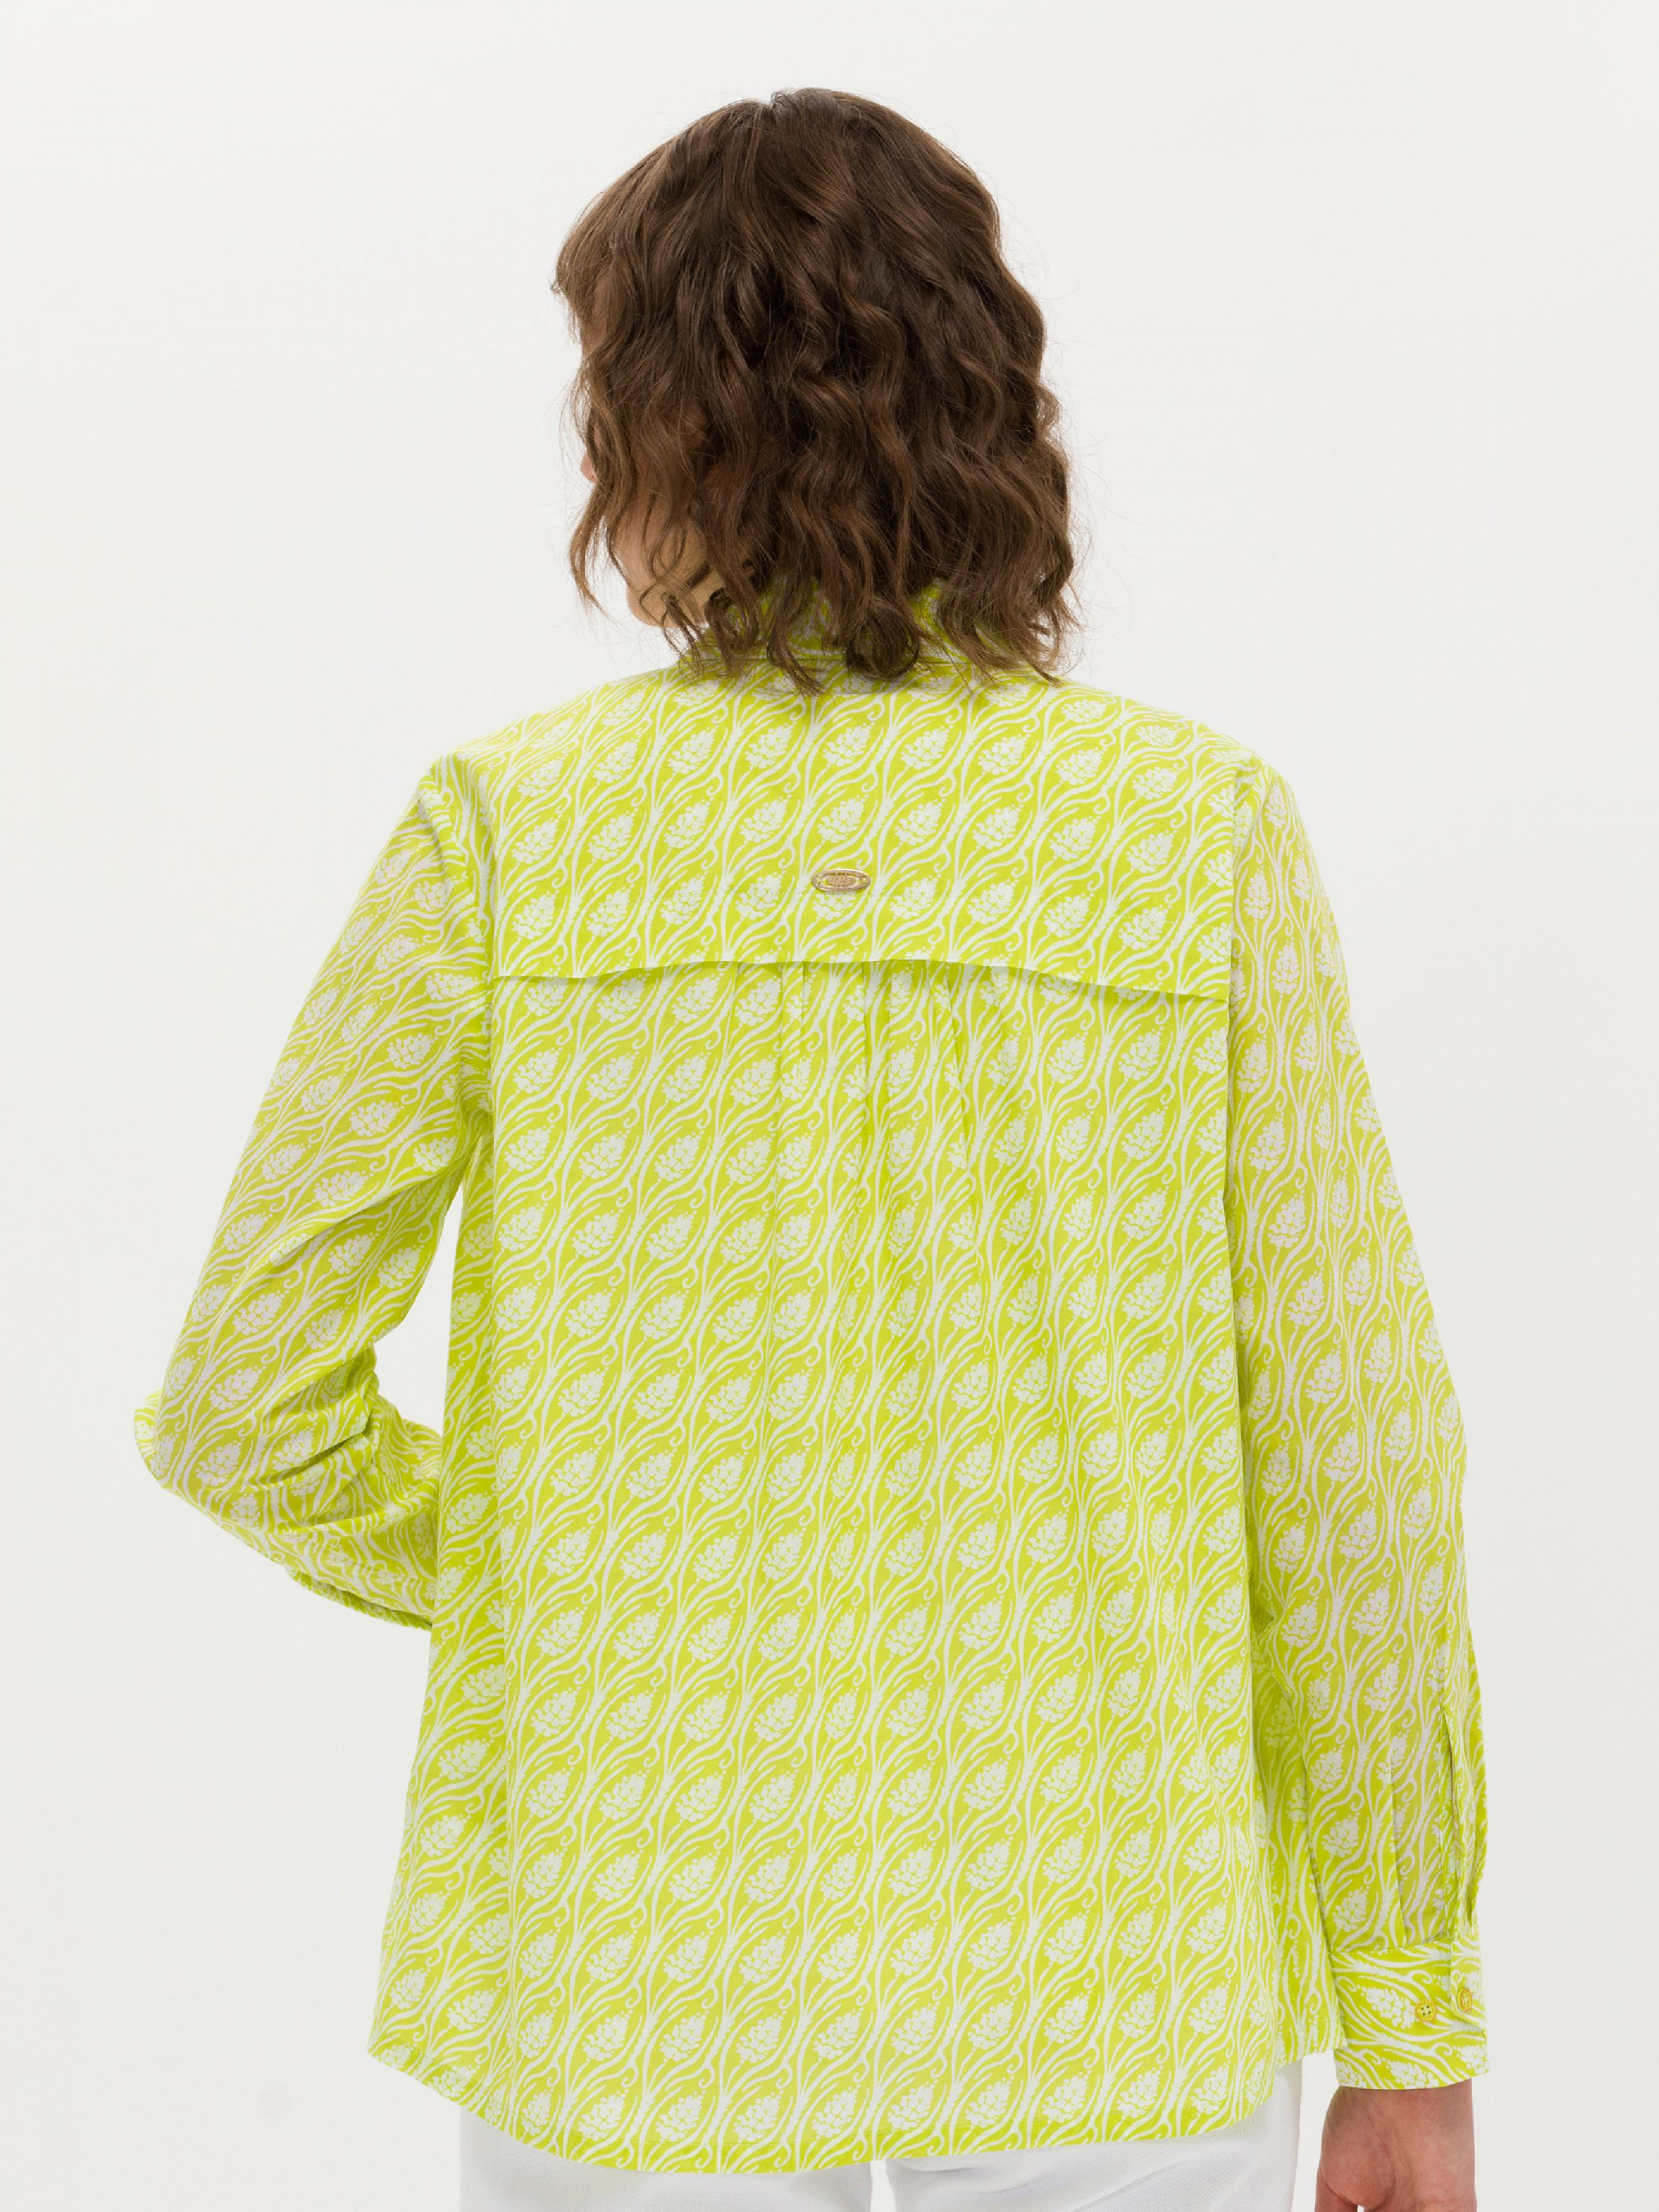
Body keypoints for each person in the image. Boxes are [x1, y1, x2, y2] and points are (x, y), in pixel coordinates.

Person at [133, 88, 1485, 2212]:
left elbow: (242, 1403)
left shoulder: (513, 835)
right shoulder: (1186, 834)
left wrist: (573, 1590)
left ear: (647, 434)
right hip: (1102, 1952)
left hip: (633, 1954)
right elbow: (1354, 1457)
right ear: (993, 403)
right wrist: (1410, 2029)